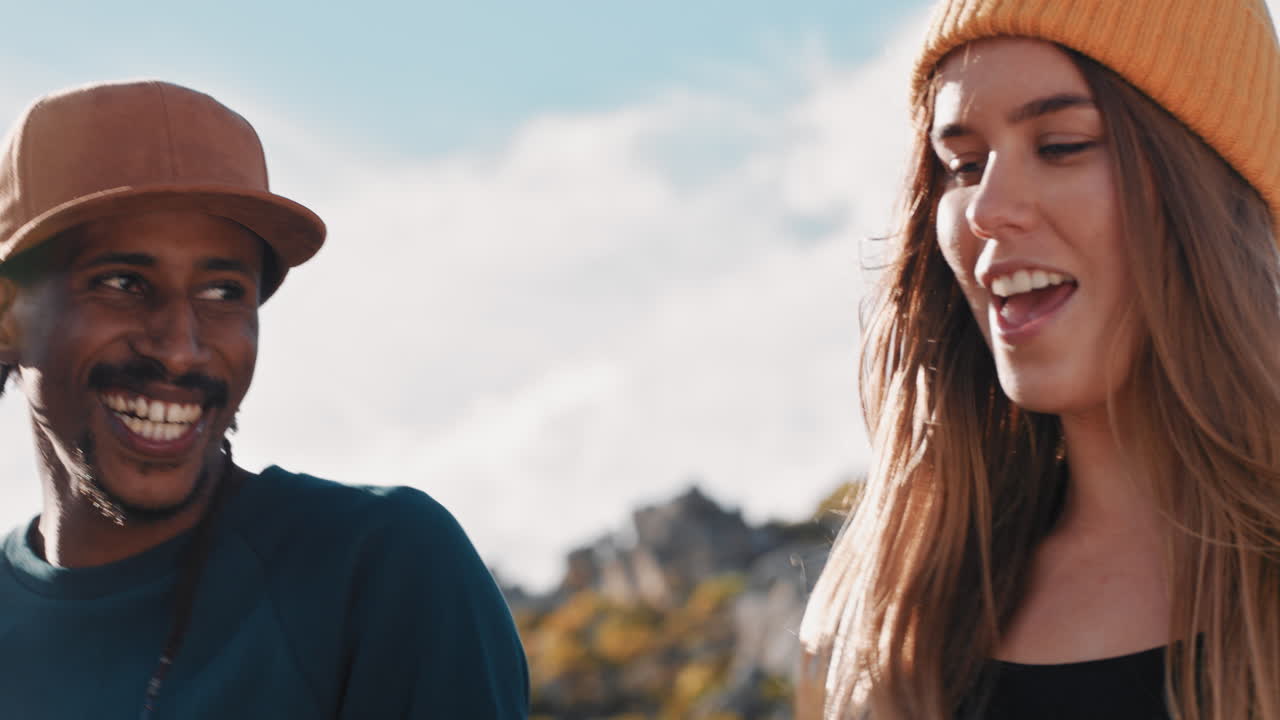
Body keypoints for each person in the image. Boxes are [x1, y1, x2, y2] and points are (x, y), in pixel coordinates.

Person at [797, 0, 1280, 718]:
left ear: (1209, 191)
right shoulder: (882, 634)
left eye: (1060, 145)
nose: (987, 207)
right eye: (960, 164)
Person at [0, 81, 529, 718]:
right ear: (9, 313)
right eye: (122, 282)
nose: (180, 348)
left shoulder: (380, 570)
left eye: (222, 292)